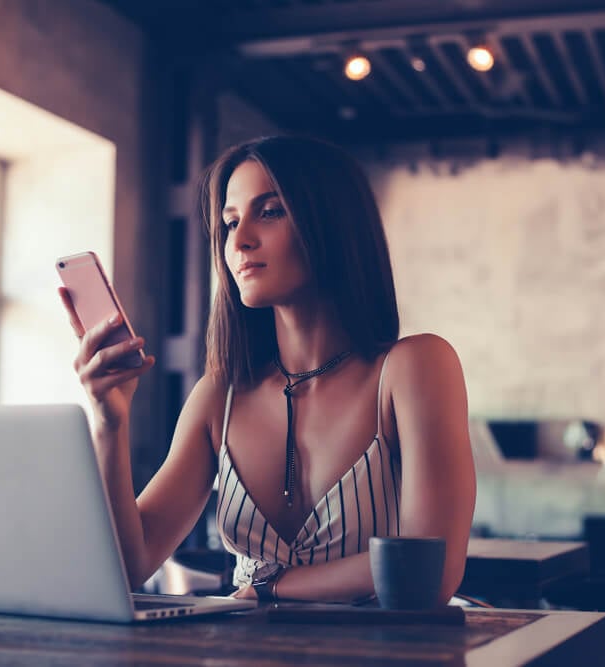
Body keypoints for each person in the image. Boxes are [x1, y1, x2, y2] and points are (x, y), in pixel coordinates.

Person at [59, 135, 476, 604]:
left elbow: (430, 571)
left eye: (271, 211)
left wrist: (267, 585)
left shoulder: (413, 367)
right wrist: (109, 423)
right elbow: (128, 567)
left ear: (332, 226)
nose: (238, 241)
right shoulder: (220, 395)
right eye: (230, 221)